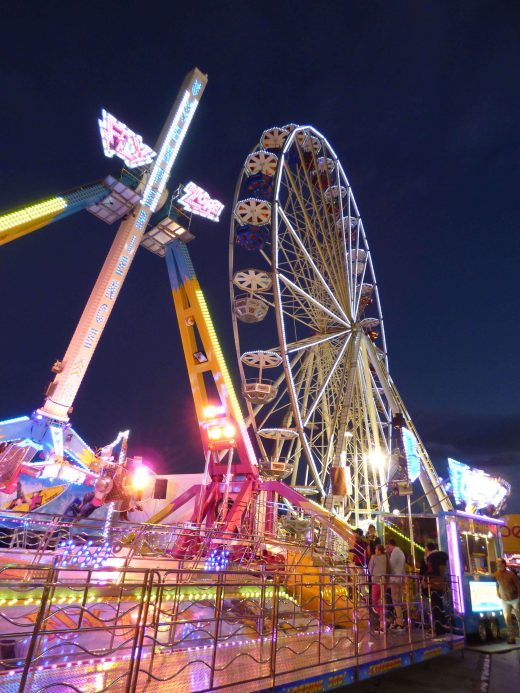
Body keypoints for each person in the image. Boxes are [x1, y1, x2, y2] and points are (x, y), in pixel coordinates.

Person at [423, 542, 449, 635]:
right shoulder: (441, 556)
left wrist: (425, 576)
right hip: (440, 583)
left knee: (435, 607)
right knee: (439, 605)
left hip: (433, 583)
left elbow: (433, 571)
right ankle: (441, 627)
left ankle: (437, 629)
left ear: (428, 549)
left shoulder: (432, 557)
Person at [494, 557, 520, 644]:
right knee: (507, 619)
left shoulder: (511, 574)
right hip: (504, 599)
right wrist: (497, 591)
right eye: (497, 563)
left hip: (514, 599)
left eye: (499, 563)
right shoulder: (496, 574)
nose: (497, 565)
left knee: (518, 618)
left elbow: (518, 585)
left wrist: (519, 597)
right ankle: (512, 638)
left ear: (504, 564)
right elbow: (497, 584)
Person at [386, 538, 406, 629]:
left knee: (395, 601)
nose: (388, 549)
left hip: (395, 580)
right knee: (398, 600)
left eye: (388, 547)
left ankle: (400, 622)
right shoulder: (401, 553)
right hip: (400, 579)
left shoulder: (394, 553)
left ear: (390, 545)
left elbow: (391, 565)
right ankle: (399, 620)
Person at [368, 543, 389, 632]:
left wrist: (372, 575)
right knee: (382, 602)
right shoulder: (386, 557)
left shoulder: (373, 557)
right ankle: (383, 622)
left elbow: (370, 568)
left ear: (379, 551)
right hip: (384, 581)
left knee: (374, 601)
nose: (375, 551)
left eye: (376, 549)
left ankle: (382, 622)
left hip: (376, 581)